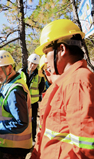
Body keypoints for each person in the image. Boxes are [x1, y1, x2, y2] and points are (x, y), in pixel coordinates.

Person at [31, 19, 94, 159]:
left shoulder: (77, 81)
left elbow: (85, 148)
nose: (45, 60)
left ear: (62, 49)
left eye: (46, 52)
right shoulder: (67, 81)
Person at [0, 50, 32, 159]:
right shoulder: (9, 84)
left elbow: (20, 123)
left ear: (9, 68)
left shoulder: (14, 90)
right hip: (8, 146)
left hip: (12, 149)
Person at [19, 53, 45, 142]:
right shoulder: (20, 72)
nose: (32, 65)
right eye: (31, 63)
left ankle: (32, 139)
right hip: (22, 101)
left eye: (35, 64)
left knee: (33, 121)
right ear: (28, 61)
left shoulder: (40, 74)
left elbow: (41, 87)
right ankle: (21, 137)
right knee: (21, 119)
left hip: (33, 102)